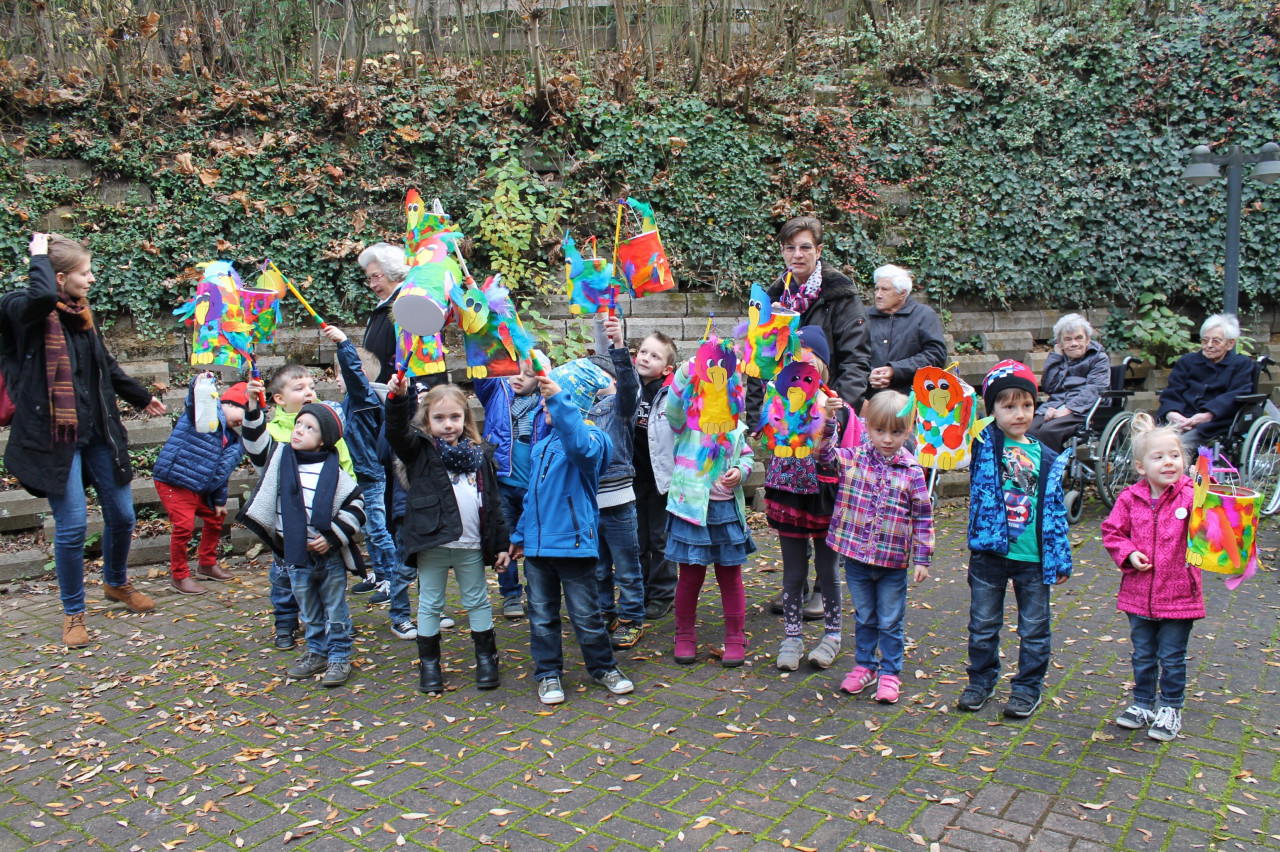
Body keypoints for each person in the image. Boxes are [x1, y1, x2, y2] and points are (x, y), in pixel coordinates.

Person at [0, 233, 167, 648]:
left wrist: (142, 397)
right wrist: (37, 255)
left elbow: (104, 365)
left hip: (98, 433)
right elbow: (39, 298)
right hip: (54, 440)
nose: (91, 279)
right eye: (84, 272)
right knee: (73, 526)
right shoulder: (20, 308)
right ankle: (73, 611)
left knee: (124, 515)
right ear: (58, 277)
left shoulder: (80, 314)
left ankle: (115, 583)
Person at [747, 216, 872, 617]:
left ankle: (824, 587)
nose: (796, 254)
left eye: (804, 247)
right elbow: (758, 362)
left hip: (825, 416)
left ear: (819, 250)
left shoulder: (840, 297)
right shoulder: (771, 299)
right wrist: (755, 415)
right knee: (790, 505)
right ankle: (795, 586)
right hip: (783, 419)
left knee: (825, 503)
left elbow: (856, 358)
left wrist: (834, 407)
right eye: (789, 248)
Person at [509, 361, 634, 705]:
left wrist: (560, 401)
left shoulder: (596, 439)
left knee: (586, 616)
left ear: (573, 402)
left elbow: (580, 448)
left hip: (574, 548)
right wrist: (519, 538)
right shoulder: (540, 447)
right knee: (542, 617)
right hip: (537, 552)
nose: (545, 406)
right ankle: (548, 674)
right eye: (547, 401)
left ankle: (603, 667)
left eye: (552, 401)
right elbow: (532, 499)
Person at [957, 359, 1073, 719]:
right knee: (982, 625)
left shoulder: (1048, 457)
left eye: (1027, 405)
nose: (1019, 413)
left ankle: (1026, 688)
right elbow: (949, 438)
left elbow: (1055, 513)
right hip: (989, 555)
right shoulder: (982, 445)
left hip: (1033, 559)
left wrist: (1061, 558)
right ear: (991, 409)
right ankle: (981, 680)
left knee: (1035, 629)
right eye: (1008, 406)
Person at [385, 379, 510, 695]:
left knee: (477, 601)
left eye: (455, 417)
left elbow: (492, 504)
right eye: (439, 418)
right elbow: (397, 433)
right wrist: (399, 399)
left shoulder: (479, 455)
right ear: (427, 420)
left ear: (466, 418)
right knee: (429, 603)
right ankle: (429, 665)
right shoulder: (420, 452)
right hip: (433, 543)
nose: (448, 424)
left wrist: (500, 545)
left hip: (470, 544)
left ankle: (486, 657)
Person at [239, 399, 365, 688]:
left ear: (324, 440)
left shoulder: (336, 474)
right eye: (298, 424)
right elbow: (256, 444)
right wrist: (251, 409)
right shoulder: (280, 459)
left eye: (309, 428)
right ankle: (317, 652)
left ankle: (339, 655)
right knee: (308, 608)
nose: (299, 431)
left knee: (335, 608)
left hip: (327, 556)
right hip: (295, 554)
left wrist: (333, 536)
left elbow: (357, 506)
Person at [820, 391, 934, 704]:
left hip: (892, 563)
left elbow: (923, 516)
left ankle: (890, 673)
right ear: (867, 427)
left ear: (907, 431)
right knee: (865, 616)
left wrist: (922, 558)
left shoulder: (912, 471)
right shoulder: (854, 458)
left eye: (896, 432)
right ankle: (865, 666)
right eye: (879, 430)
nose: (887, 439)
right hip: (856, 558)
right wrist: (829, 420)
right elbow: (825, 455)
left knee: (890, 621)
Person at [1101, 413, 1203, 742]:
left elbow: (1212, 532)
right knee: (1143, 653)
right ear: (1142, 467)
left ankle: (1170, 707)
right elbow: (1113, 532)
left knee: (1171, 656)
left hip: (1179, 594)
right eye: (1158, 457)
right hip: (1139, 592)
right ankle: (1143, 703)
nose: (1168, 462)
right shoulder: (1130, 498)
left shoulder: (1192, 497)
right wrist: (1128, 553)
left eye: (1175, 455)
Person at [666, 353, 757, 668]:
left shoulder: (734, 429)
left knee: (730, 578)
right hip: (693, 514)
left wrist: (741, 472)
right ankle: (684, 634)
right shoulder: (686, 427)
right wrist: (684, 371)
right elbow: (672, 407)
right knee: (690, 578)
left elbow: (746, 457)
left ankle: (735, 635)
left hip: (726, 515)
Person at [763, 327, 844, 671]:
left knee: (827, 570)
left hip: (823, 495)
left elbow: (827, 455)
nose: (802, 368)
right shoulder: (777, 401)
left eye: (810, 361)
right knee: (793, 573)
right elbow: (767, 435)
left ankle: (833, 635)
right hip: (787, 494)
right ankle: (792, 637)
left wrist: (827, 421)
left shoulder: (829, 404)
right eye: (795, 360)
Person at [260, 364, 354, 649]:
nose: (309, 392)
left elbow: (345, 471)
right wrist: (252, 408)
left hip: (322, 527)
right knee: (284, 580)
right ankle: (286, 623)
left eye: (311, 387)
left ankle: (336, 633)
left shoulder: (327, 425)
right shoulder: (275, 432)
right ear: (279, 398)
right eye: (299, 388)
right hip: (288, 528)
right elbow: (257, 448)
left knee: (327, 582)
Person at [321, 326, 406, 635]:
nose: (338, 379)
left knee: (379, 531)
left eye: (341, 373)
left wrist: (344, 344)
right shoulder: (349, 403)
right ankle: (379, 575)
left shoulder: (362, 398)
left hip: (369, 476)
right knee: (370, 530)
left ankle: (393, 579)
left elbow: (355, 378)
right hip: (356, 477)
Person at [152, 375, 246, 595]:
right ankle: (179, 576)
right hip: (174, 480)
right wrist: (199, 383)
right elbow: (194, 401)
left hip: (199, 486)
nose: (244, 421)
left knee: (216, 516)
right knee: (184, 526)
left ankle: (206, 564)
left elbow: (222, 473)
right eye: (244, 411)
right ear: (227, 404)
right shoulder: (207, 414)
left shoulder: (233, 440)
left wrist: (220, 500)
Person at [474, 357, 550, 620]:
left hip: (533, 488)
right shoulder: (497, 394)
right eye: (514, 371)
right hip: (503, 486)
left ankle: (537, 594)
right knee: (505, 541)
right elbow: (482, 375)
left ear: (539, 379)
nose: (519, 377)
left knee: (532, 542)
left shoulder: (544, 404)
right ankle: (510, 595)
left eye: (527, 375)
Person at [589, 316, 646, 650]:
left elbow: (627, 384)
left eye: (605, 378)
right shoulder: (579, 410)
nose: (600, 384)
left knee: (626, 567)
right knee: (597, 568)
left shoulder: (620, 408)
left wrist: (620, 346)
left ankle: (631, 618)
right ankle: (604, 611)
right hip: (589, 505)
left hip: (620, 503)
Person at [1156, 314, 1253, 452]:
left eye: (1216, 341)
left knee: (1176, 447)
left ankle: (1178, 473)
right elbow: (1173, 391)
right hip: (1180, 420)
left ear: (1230, 343)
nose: (1208, 346)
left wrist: (1209, 415)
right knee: (1151, 443)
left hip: (1214, 423)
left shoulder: (1240, 364)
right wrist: (1172, 413)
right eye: (1205, 340)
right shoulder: (1187, 362)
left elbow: (1237, 394)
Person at [632, 331, 678, 620]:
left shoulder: (671, 393)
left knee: (659, 539)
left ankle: (662, 592)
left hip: (662, 479)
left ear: (667, 369)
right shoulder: (627, 386)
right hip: (633, 478)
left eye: (655, 356)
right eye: (643, 351)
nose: (646, 358)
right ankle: (640, 589)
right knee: (637, 538)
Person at [1028, 313, 1110, 452]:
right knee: (1029, 429)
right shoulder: (1060, 357)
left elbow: (1094, 389)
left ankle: (1052, 470)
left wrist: (1068, 409)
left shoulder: (1099, 358)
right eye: (1067, 339)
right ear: (1060, 343)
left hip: (1085, 409)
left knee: (1049, 431)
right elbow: (1049, 387)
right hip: (1056, 405)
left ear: (1088, 340)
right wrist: (1056, 357)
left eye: (1079, 338)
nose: (1074, 343)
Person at [864, 264, 947, 400]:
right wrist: (869, 374)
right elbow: (851, 353)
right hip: (869, 398)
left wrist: (895, 370)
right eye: (877, 289)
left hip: (911, 397)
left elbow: (936, 354)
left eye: (885, 289)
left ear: (902, 293)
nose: (878, 295)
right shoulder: (864, 317)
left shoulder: (923, 315)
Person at [357, 242, 410, 384]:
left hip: (400, 392)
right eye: (369, 278)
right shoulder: (384, 306)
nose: (372, 285)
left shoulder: (406, 304)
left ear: (394, 273)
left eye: (376, 276)